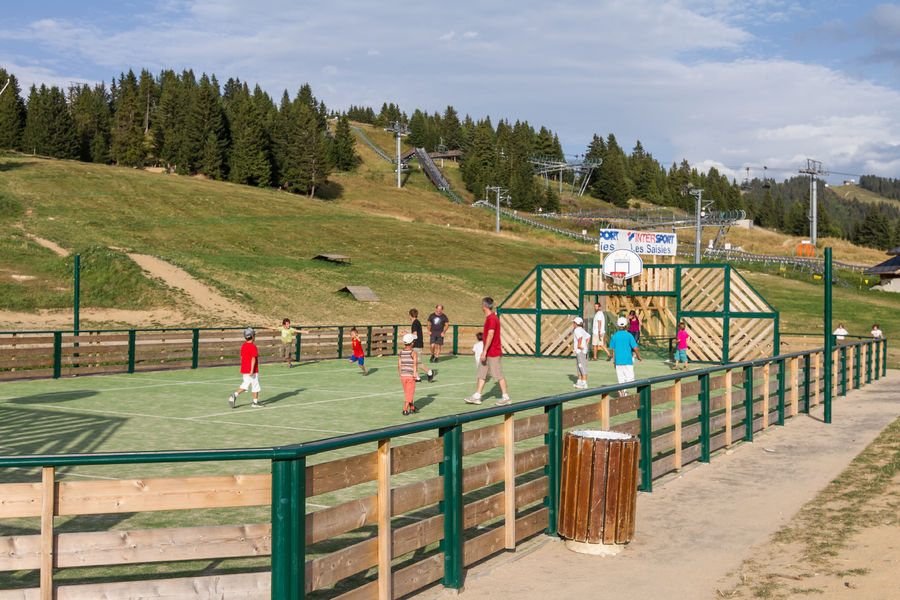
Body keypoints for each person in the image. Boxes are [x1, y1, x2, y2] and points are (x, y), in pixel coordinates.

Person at [465, 297, 511, 406]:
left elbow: (491, 334)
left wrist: (484, 351)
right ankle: (477, 396)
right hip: (487, 352)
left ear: (484, 306)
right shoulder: (491, 318)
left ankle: (505, 397)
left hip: (493, 352)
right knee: (482, 374)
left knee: (498, 375)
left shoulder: (491, 319)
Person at [228, 328, 263, 408]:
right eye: (254, 335)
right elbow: (253, 359)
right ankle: (255, 402)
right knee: (255, 386)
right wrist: (251, 370)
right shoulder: (253, 347)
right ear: (252, 336)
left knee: (245, 385)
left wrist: (246, 367)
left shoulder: (243, 345)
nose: (255, 336)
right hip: (253, 371)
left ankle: (235, 394)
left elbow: (242, 356)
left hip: (244, 370)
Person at [610, 316, 642, 398]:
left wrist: (614, 362)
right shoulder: (629, 335)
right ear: (626, 325)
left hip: (618, 361)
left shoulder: (614, 336)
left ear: (617, 325)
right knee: (631, 379)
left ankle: (623, 393)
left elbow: (613, 351)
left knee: (621, 380)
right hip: (628, 360)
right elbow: (635, 347)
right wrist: (638, 356)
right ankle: (623, 392)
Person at [408, 309, 435, 382]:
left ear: (410, 315)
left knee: (418, 363)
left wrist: (406, 335)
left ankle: (430, 372)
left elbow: (415, 335)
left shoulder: (414, 323)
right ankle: (417, 378)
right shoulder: (417, 322)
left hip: (417, 345)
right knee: (413, 362)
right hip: (417, 344)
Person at [398, 333, 419, 415]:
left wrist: (400, 374)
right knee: (409, 393)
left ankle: (412, 407)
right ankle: (405, 409)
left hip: (403, 376)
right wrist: (415, 374)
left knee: (408, 392)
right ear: (412, 343)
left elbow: (399, 364)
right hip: (410, 376)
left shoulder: (401, 352)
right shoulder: (413, 353)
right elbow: (415, 364)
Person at [572, 316, 591, 389]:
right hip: (581, 351)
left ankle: (584, 382)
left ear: (576, 323)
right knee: (579, 365)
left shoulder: (577, 330)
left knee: (582, 365)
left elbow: (580, 338)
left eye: (574, 323)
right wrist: (585, 345)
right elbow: (588, 337)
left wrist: (579, 345)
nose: (573, 324)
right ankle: (579, 381)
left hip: (580, 351)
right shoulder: (581, 329)